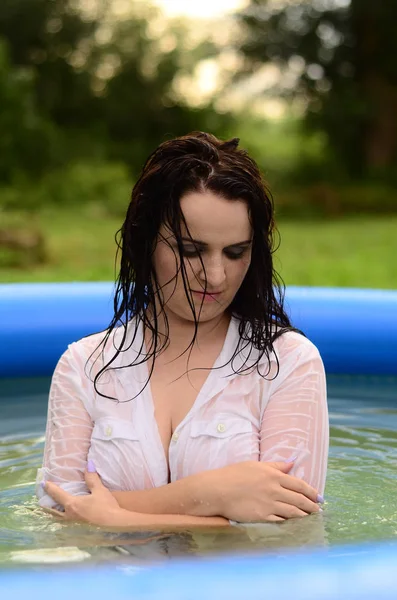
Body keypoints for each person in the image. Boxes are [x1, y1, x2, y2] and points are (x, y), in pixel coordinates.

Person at [37, 132, 329, 529]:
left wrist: (116, 517)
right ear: (145, 242)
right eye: (191, 251)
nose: (215, 275)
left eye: (235, 252)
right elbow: (56, 519)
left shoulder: (288, 362)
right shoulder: (84, 367)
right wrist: (217, 494)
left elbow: (290, 531)